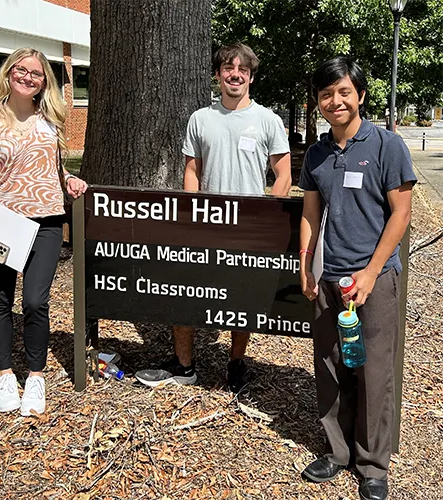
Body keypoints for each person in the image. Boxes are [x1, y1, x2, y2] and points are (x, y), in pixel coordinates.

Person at [135, 43, 291, 393]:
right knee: (185, 292)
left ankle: (236, 360)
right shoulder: (200, 119)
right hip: (205, 225)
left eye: (242, 70)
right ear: (218, 74)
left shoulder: (267, 120)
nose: (235, 75)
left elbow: (283, 175)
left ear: (250, 76)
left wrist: (265, 217)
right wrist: (191, 217)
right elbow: (192, 171)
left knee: (243, 301)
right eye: (228, 68)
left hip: (249, 231)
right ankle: (184, 364)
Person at [298, 57, 416, 500]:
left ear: (360, 95)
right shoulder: (317, 153)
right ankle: (337, 451)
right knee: (330, 365)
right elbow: (311, 212)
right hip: (328, 277)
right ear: (319, 103)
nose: (335, 101)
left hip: (375, 278)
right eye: (327, 94)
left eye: (344, 91)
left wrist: (368, 273)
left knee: (373, 371)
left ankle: (372, 465)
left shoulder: (387, 146)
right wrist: (306, 261)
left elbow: (400, 213)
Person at [0, 47, 87, 416]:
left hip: (47, 221)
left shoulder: (50, 120)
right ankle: (4, 374)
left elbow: (53, 168)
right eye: (22, 70)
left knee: (36, 301)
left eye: (37, 73)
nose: (28, 77)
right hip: (3, 223)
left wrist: (69, 178)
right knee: (0, 301)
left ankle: (35, 376)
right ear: (9, 73)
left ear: (43, 82)